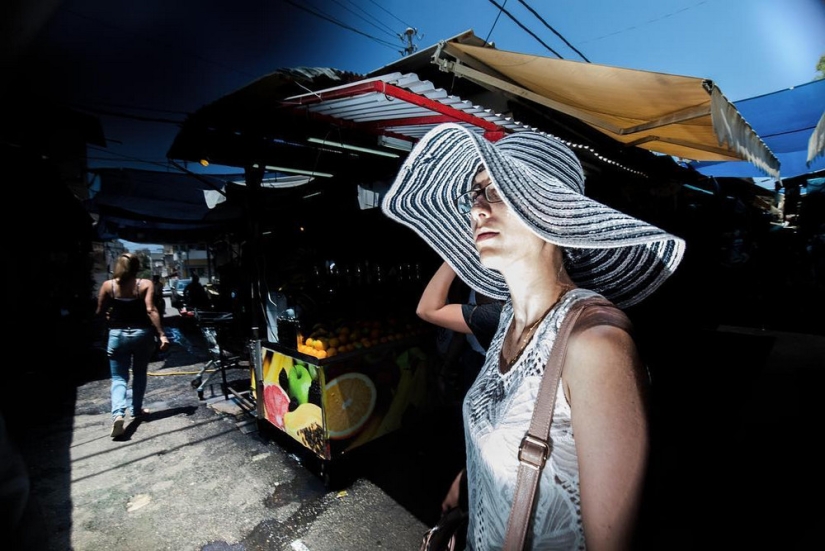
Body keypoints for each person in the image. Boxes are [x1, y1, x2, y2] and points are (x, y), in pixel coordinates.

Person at [382, 123, 685, 550]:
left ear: (554, 212)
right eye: (476, 194)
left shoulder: (596, 346)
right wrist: (471, 477)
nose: (477, 210)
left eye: (498, 191)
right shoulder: (506, 319)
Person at [96, 253, 170, 438]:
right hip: (141, 334)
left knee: (119, 378)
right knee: (139, 374)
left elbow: (100, 311)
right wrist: (162, 335)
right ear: (137, 267)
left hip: (117, 335)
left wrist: (103, 323)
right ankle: (136, 410)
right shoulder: (144, 284)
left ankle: (118, 414)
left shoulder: (108, 285)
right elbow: (150, 309)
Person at [417, 261, 503, 398]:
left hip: (485, 360)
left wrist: (457, 253)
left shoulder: (498, 312)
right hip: (477, 356)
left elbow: (428, 310)